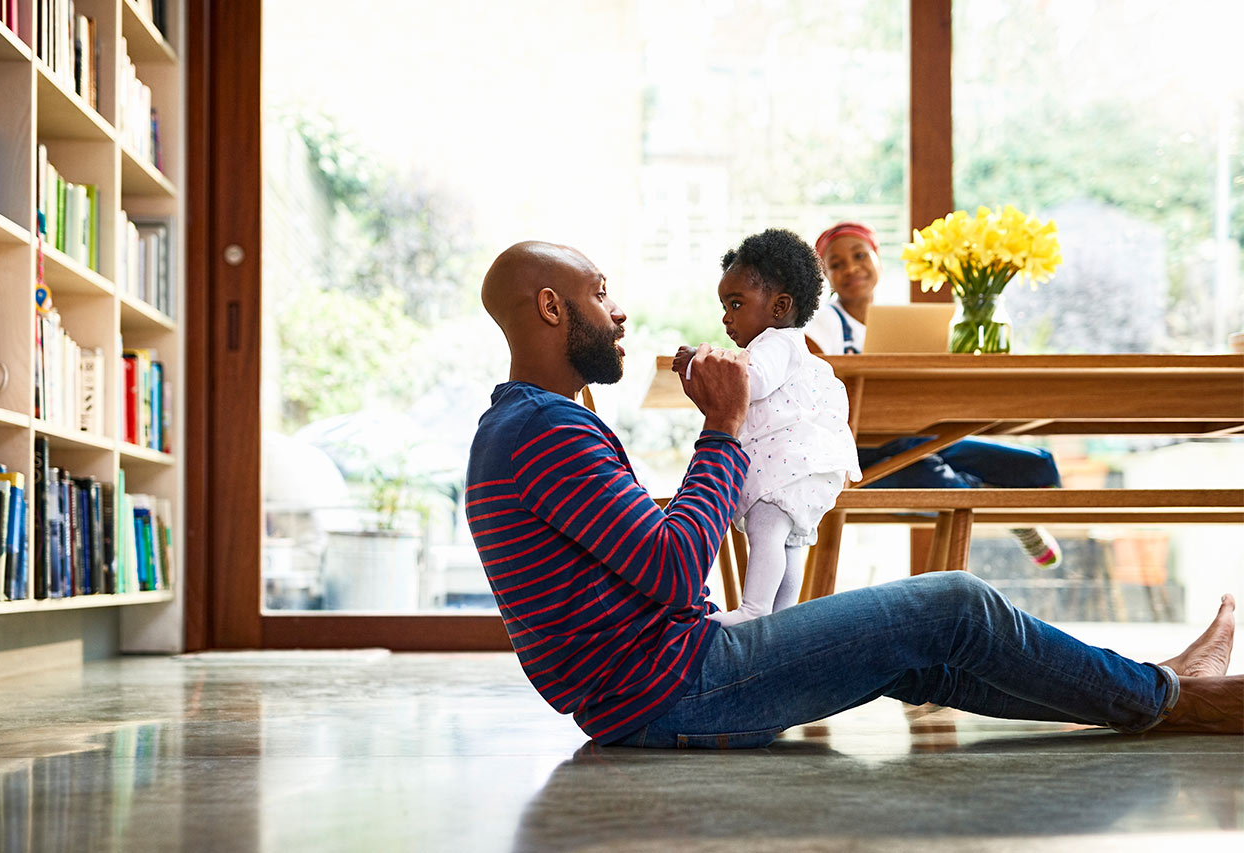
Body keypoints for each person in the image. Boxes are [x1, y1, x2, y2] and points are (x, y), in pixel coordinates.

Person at [466, 238, 1241, 748]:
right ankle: (1176, 696)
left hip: (651, 691)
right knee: (953, 604)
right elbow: (674, 567)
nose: (621, 310)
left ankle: (1150, 690)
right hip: (677, 688)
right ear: (551, 308)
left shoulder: (526, 427)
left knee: (927, 657)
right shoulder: (546, 431)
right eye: (602, 294)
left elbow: (647, 556)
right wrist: (726, 428)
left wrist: (721, 470)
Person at [806, 221, 1065, 571]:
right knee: (935, 483)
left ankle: (987, 496)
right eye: (836, 264)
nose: (851, 268)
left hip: (918, 436)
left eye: (859, 255)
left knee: (1037, 466)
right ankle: (1002, 509)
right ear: (825, 276)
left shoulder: (908, 323)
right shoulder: (822, 324)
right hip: (862, 451)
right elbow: (812, 390)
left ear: (878, 259)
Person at [672, 229, 861, 625]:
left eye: (736, 304)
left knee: (766, 533)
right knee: (788, 542)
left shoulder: (775, 343)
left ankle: (755, 609)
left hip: (782, 469)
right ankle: (780, 619)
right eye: (724, 306)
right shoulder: (788, 344)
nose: (726, 317)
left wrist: (698, 361)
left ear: (780, 306)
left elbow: (747, 383)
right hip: (797, 469)